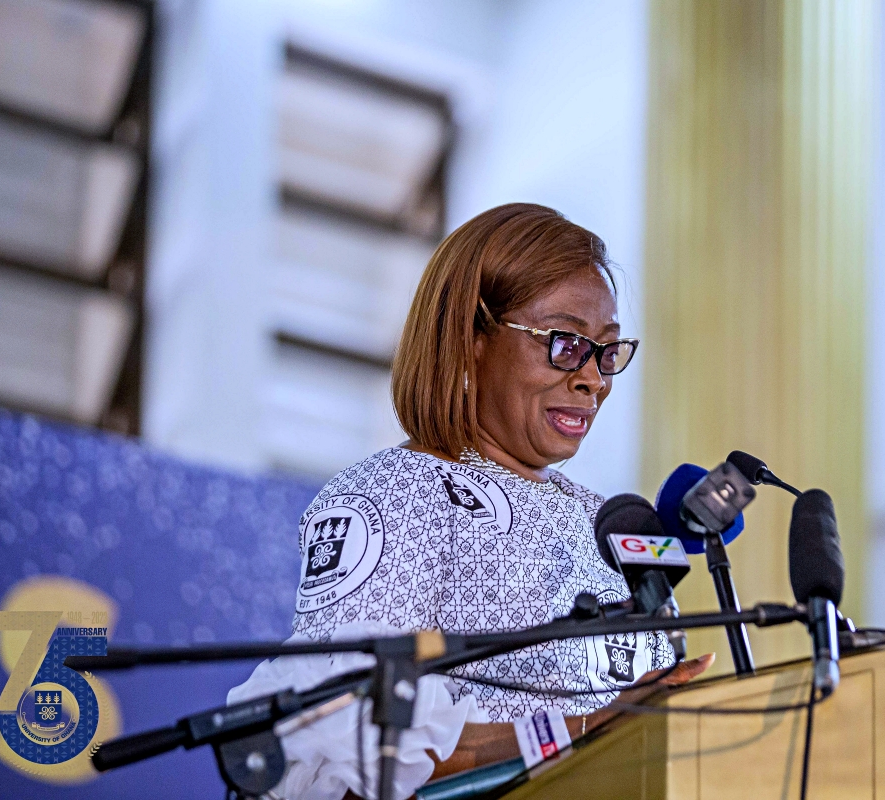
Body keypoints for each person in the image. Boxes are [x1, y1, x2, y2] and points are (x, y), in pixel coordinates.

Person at [229, 203, 713, 800]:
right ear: (471, 338)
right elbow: (349, 732)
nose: (594, 379)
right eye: (564, 344)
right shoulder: (398, 493)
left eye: (607, 351)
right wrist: (587, 727)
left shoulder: (609, 522)